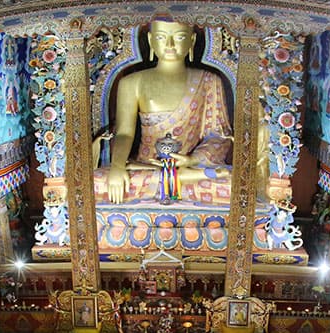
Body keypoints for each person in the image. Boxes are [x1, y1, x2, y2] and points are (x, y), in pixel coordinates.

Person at [96, 20, 234, 205]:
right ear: (151, 40)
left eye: (179, 37)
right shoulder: (131, 82)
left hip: (190, 167)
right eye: (161, 38)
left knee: (236, 184)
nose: (169, 45)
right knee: (96, 183)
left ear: (192, 40)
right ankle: (181, 178)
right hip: (146, 167)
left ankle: (181, 176)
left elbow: (219, 135)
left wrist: (192, 160)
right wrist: (117, 166)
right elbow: (124, 133)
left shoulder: (209, 81)